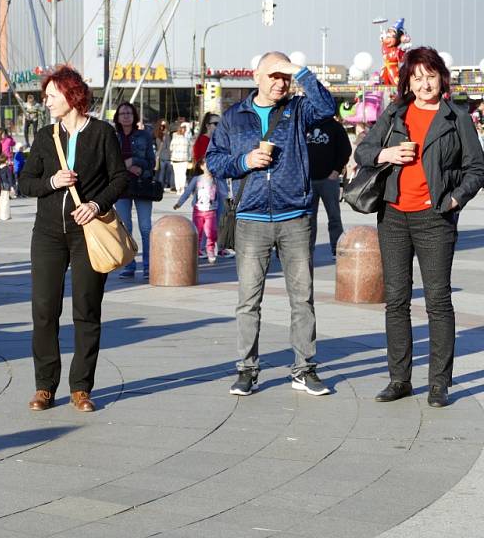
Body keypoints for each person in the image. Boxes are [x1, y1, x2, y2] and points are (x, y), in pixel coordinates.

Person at [355, 47, 484, 408]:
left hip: (435, 220)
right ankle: (399, 379)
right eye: (417, 77)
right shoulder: (396, 112)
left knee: (437, 301)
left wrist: (455, 199)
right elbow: (362, 153)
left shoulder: (455, 117)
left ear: (442, 77)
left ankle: (439, 384)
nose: (425, 83)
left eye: (431, 75)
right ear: (408, 82)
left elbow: (477, 169)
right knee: (396, 300)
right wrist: (386, 154)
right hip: (393, 217)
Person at [206, 51, 336, 397]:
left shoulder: (297, 110)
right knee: (248, 300)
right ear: (257, 77)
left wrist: (300, 71)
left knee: (302, 298)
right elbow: (215, 161)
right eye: (273, 76)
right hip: (251, 219)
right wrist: (245, 160)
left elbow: (327, 108)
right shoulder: (235, 117)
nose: (280, 83)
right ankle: (247, 369)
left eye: (285, 77)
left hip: (295, 215)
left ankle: (304, 369)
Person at [19, 65, 129, 413]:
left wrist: (96, 205)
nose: (46, 101)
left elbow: (120, 178)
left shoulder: (102, 134)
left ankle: (81, 387)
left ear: (71, 95)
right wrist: (52, 182)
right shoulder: (44, 136)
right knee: (44, 311)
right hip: (48, 233)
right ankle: (45, 387)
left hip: (88, 234)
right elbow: (25, 183)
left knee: (86, 309)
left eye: (51, 96)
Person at [113, 102, 156, 279]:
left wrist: (138, 166)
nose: (126, 116)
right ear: (117, 117)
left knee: (146, 228)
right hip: (121, 187)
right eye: (122, 113)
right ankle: (129, 266)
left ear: (134, 116)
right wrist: (126, 165)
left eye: (129, 113)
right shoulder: (113, 136)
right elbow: (109, 162)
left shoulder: (144, 135)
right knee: (125, 228)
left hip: (141, 184)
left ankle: (148, 266)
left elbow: (151, 162)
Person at [306, 116, 352, 257]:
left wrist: (336, 170)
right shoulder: (306, 123)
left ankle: (336, 248)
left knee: (334, 216)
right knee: (308, 218)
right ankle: (307, 250)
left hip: (329, 179)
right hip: (308, 180)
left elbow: (346, 149)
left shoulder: (335, 126)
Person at [174, 162, 219, 263]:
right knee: (197, 231)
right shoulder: (197, 179)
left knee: (211, 232)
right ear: (202, 166)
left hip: (211, 211)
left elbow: (224, 192)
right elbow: (188, 191)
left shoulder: (216, 179)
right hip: (198, 210)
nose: (209, 168)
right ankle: (196, 251)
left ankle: (210, 250)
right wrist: (179, 203)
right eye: (207, 165)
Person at [169, 121, 192, 194]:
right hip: (184, 159)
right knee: (183, 174)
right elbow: (189, 150)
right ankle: (182, 188)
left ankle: (178, 189)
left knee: (177, 174)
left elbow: (171, 148)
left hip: (175, 159)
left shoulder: (174, 139)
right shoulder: (186, 140)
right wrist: (189, 158)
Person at [153, 119, 173, 190]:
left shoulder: (168, 136)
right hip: (162, 155)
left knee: (167, 171)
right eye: (162, 126)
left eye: (164, 126)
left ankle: (167, 184)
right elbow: (161, 146)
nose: (163, 127)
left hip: (167, 156)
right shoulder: (158, 136)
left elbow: (169, 146)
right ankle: (161, 185)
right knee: (162, 171)